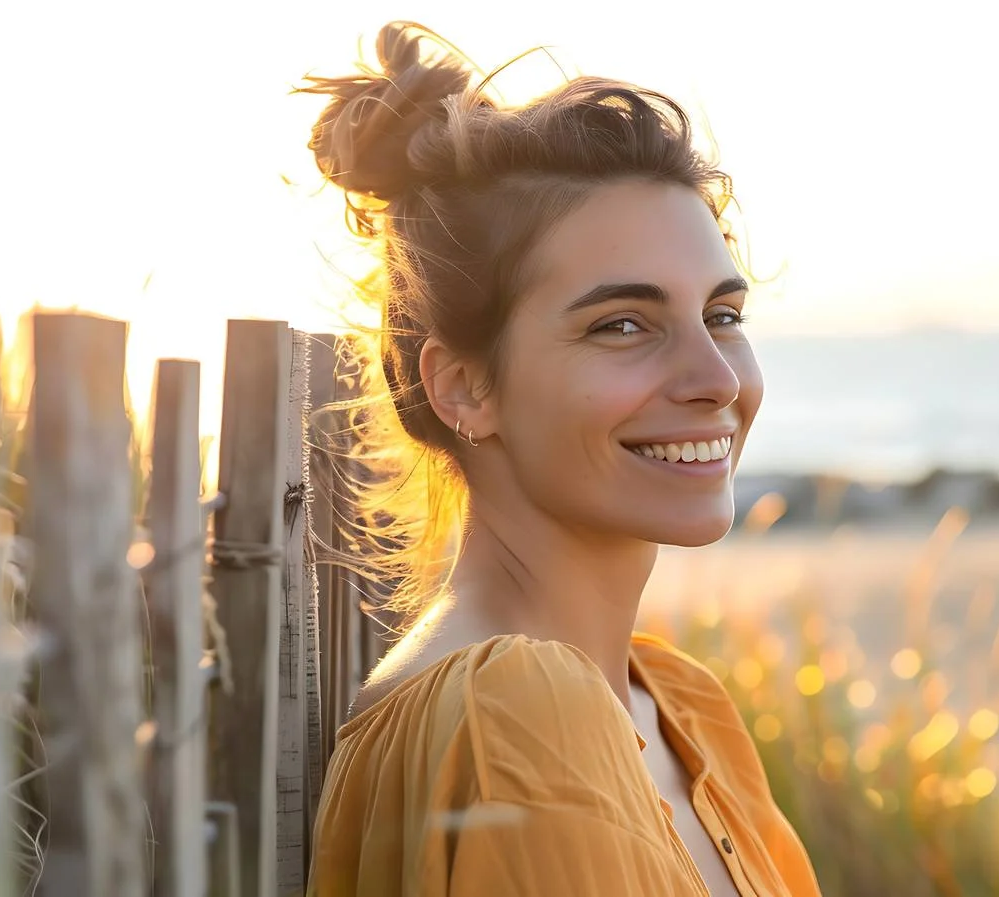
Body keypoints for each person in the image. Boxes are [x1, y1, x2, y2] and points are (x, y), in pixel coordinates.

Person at [301, 21, 821, 897]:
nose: (713, 378)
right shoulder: (517, 710)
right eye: (623, 324)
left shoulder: (675, 703)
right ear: (466, 387)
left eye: (723, 316)